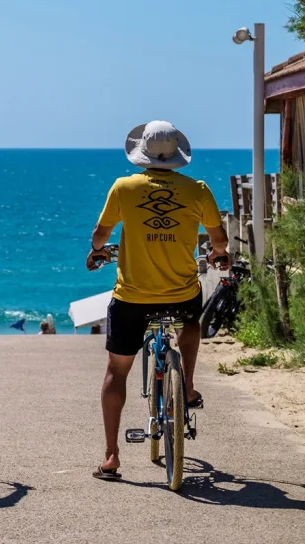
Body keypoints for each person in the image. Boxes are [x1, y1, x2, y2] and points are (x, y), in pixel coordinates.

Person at [86, 120, 228, 481]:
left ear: (142, 154)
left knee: (116, 372)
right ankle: (189, 385)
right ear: (177, 155)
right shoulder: (197, 189)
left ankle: (111, 456)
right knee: (192, 321)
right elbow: (219, 238)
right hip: (180, 295)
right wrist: (218, 254)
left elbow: (101, 234)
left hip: (132, 298)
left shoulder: (124, 187)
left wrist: (97, 251)